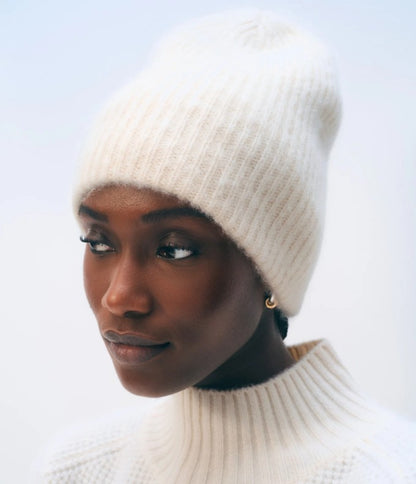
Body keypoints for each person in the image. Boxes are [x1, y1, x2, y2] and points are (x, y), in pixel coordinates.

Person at [32, 9, 415, 483]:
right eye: (98, 242)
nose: (119, 297)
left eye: (173, 249)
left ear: (271, 267)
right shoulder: (75, 470)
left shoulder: (387, 472)